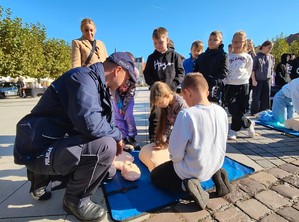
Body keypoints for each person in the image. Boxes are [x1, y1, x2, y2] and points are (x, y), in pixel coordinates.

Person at [13, 52, 136, 222]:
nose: (126, 85)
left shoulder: (99, 85)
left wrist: (118, 136)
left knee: (108, 171)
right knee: (106, 147)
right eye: (127, 79)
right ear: (118, 70)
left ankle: (42, 175)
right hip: (39, 147)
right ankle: (75, 200)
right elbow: (91, 124)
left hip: (57, 142)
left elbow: (108, 122)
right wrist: (116, 137)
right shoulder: (82, 78)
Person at [150, 73, 230, 210]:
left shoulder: (187, 114)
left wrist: (175, 161)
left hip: (193, 170)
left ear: (186, 92)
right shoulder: (221, 111)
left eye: (184, 96)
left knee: (155, 176)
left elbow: (175, 153)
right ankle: (217, 175)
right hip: (216, 162)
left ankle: (187, 185)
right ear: (207, 91)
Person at [143, 27, 185, 142]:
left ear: (167, 40)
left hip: (170, 94)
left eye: (160, 42)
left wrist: (172, 86)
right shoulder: (151, 58)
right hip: (156, 95)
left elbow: (181, 73)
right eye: (155, 43)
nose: (158, 45)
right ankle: (153, 139)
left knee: (171, 118)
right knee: (155, 117)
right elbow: (147, 74)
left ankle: (172, 139)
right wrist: (154, 86)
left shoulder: (175, 56)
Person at [139, 81, 188, 171]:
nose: (160, 106)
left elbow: (179, 129)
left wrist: (167, 143)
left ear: (166, 96)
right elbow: (165, 125)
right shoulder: (166, 106)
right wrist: (161, 139)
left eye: (160, 103)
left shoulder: (181, 105)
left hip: (186, 137)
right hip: (179, 135)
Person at [224, 31, 255, 140]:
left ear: (244, 43)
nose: (237, 44)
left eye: (239, 42)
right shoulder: (228, 56)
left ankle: (234, 130)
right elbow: (225, 70)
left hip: (243, 84)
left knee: (241, 109)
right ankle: (248, 123)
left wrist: (246, 79)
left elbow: (249, 70)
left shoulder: (247, 57)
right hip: (230, 85)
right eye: (235, 42)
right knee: (232, 108)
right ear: (231, 42)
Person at [193, 31, 228, 104]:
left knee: (212, 109)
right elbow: (195, 71)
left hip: (214, 88)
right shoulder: (201, 56)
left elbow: (224, 72)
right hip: (201, 87)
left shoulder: (224, 56)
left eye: (215, 40)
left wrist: (213, 80)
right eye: (210, 39)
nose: (211, 41)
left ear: (220, 42)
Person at [111, 65, 140, 151]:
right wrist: (120, 106)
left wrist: (124, 108)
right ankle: (123, 136)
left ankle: (131, 136)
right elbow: (114, 93)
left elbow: (129, 95)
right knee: (118, 117)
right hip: (117, 98)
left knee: (128, 115)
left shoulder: (133, 78)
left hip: (128, 99)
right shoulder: (117, 76)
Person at [251, 40, 275, 116]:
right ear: (263, 47)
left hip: (267, 79)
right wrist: (253, 80)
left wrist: (272, 79)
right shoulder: (257, 57)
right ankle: (254, 112)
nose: (270, 49)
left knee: (266, 97)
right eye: (269, 47)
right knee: (256, 97)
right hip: (258, 79)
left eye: (271, 48)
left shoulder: (271, 57)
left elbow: (272, 69)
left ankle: (264, 112)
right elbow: (253, 69)